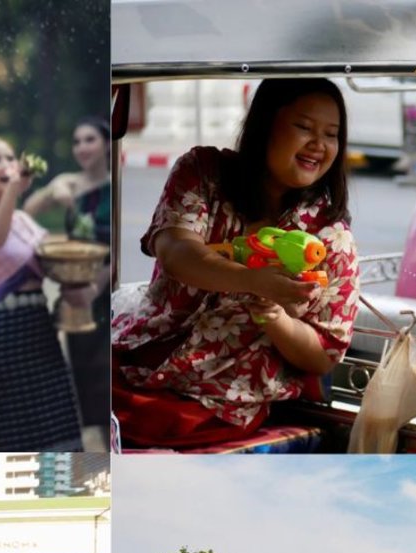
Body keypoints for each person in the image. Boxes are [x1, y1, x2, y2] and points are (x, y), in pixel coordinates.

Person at [112, 77, 360, 448]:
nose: (318, 145)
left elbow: (324, 354)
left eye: (331, 134)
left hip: (218, 402)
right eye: (304, 127)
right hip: (135, 361)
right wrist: (253, 280)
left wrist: (277, 318)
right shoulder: (203, 172)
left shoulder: (331, 238)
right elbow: (176, 252)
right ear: (265, 124)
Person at [0, 135, 84, 452]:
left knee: (59, 421)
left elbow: (53, 259)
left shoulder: (25, 221)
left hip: (39, 324)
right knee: (21, 429)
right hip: (5, 330)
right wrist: (14, 191)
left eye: (10, 158)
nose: (6, 165)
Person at [23, 116, 113, 451]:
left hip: (104, 295)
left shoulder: (114, 185)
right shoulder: (69, 182)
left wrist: (96, 289)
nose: (82, 148)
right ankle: (100, 453)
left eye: (89, 140)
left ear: (106, 143)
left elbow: (118, 249)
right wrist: (52, 191)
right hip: (74, 293)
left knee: (108, 383)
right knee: (86, 381)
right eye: (76, 142)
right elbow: (28, 209)